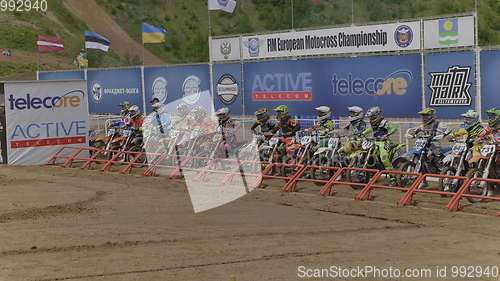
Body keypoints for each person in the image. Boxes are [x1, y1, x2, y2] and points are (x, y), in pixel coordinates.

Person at [363, 106, 397, 170]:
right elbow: (371, 129)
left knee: (383, 158)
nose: (371, 119)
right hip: (375, 141)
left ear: (377, 115)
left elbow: (394, 128)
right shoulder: (374, 124)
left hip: (384, 142)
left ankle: (391, 174)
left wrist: (387, 134)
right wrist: (363, 133)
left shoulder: (384, 122)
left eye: (372, 117)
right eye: (370, 117)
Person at [478, 108, 499, 196]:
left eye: (493, 116)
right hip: (492, 148)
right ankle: (490, 189)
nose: (491, 118)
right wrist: (479, 138)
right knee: (486, 165)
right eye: (490, 116)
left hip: (499, 149)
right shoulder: (491, 126)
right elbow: (484, 132)